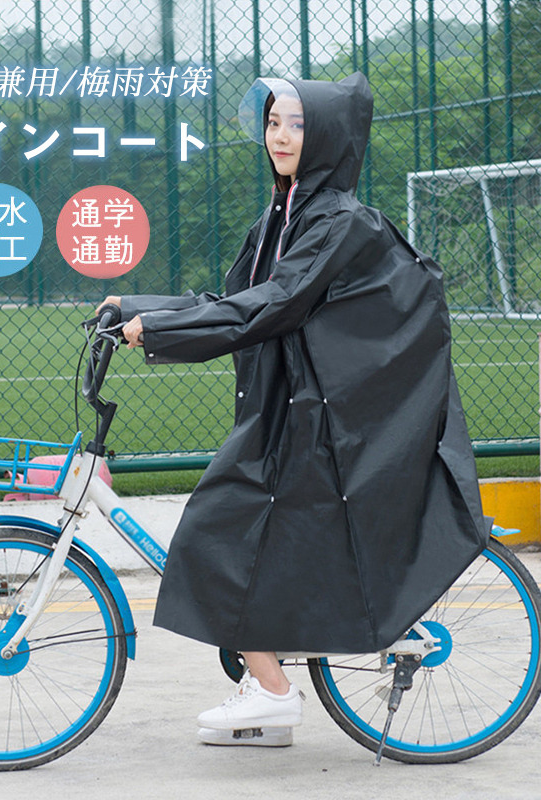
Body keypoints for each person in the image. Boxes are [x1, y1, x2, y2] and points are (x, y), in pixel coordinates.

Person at [101, 73, 488, 746]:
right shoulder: (283, 216)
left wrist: (157, 334)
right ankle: (263, 689)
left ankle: (274, 692)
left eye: (298, 124)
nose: (280, 136)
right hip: (291, 404)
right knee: (248, 539)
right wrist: (135, 309)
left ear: (328, 136)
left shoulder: (336, 220)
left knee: (214, 534)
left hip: (324, 419)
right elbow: (233, 299)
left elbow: (271, 308)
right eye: (275, 122)